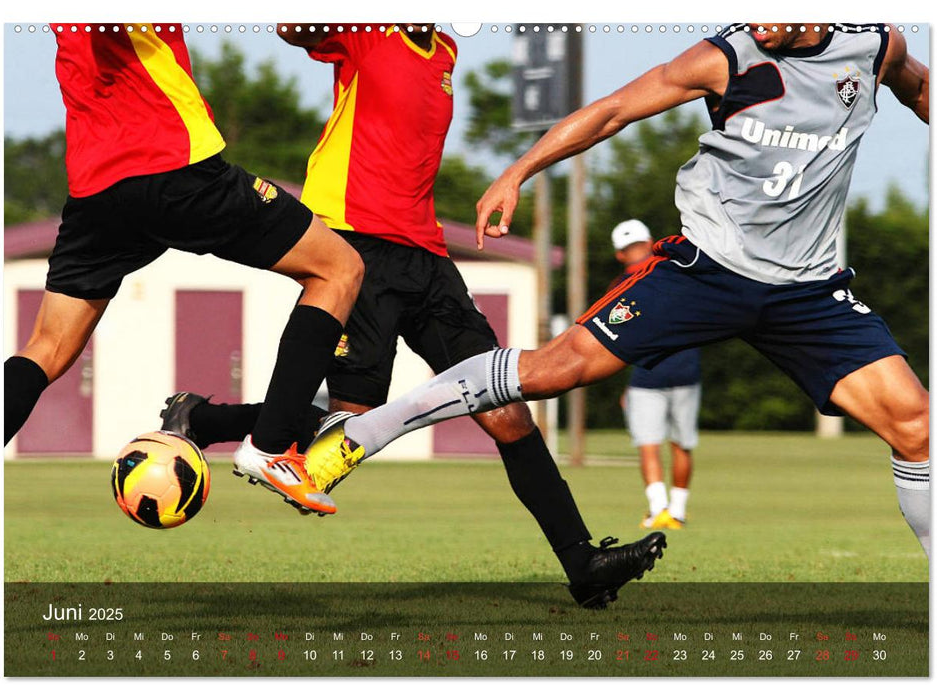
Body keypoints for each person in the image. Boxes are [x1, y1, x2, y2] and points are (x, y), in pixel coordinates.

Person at [300, 23, 931, 560]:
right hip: (705, 271)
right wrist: (518, 171)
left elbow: (923, 88)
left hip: (808, 291)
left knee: (919, 427)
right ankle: (359, 437)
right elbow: (612, 112)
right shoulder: (725, 57)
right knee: (554, 370)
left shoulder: (875, 49)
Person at [159, 23, 666, 610]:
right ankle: (209, 421)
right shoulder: (365, 32)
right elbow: (296, 30)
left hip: (427, 257)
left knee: (506, 412)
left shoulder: (447, 50)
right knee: (346, 428)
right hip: (354, 245)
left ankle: (585, 564)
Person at [3, 23, 365, 516]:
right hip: (175, 164)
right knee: (338, 268)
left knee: (45, 347)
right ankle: (271, 447)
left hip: (97, 190)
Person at [610, 220, 701, 530]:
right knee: (678, 444)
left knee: (657, 445)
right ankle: (671, 511)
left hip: (654, 377)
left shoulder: (622, 288)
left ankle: (663, 510)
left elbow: (617, 343)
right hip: (673, 374)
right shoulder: (679, 274)